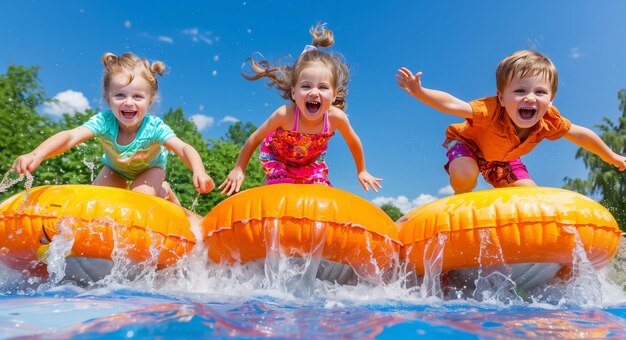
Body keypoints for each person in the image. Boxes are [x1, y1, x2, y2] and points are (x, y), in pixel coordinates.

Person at [396, 49, 626, 194]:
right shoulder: (490, 110)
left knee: (529, 195)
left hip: (503, 158)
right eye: (520, 90)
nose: (530, 97)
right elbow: (453, 104)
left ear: (551, 99)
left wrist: (611, 156)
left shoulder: (549, 120)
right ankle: (462, 199)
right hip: (468, 145)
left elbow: (581, 134)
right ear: (501, 97)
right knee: (465, 174)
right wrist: (421, 92)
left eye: (540, 92)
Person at [12, 52, 215, 205]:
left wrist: (199, 171)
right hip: (115, 169)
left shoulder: (154, 128)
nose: (128, 102)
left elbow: (183, 148)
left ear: (150, 101)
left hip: (150, 169)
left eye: (137, 96)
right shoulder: (104, 121)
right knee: (96, 202)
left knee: (139, 199)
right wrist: (37, 154)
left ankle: (164, 191)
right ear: (107, 98)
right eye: (120, 95)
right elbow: (70, 137)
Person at [219, 24, 382, 195]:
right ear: (294, 93)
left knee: (320, 195)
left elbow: (353, 141)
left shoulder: (336, 118)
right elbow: (254, 138)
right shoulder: (285, 115)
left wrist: (362, 170)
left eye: (323, 87)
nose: (314, 92)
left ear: (334, 95)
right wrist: (239, 168)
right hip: (278, 159)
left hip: (311, 164)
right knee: (283, 190)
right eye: (306, 86)